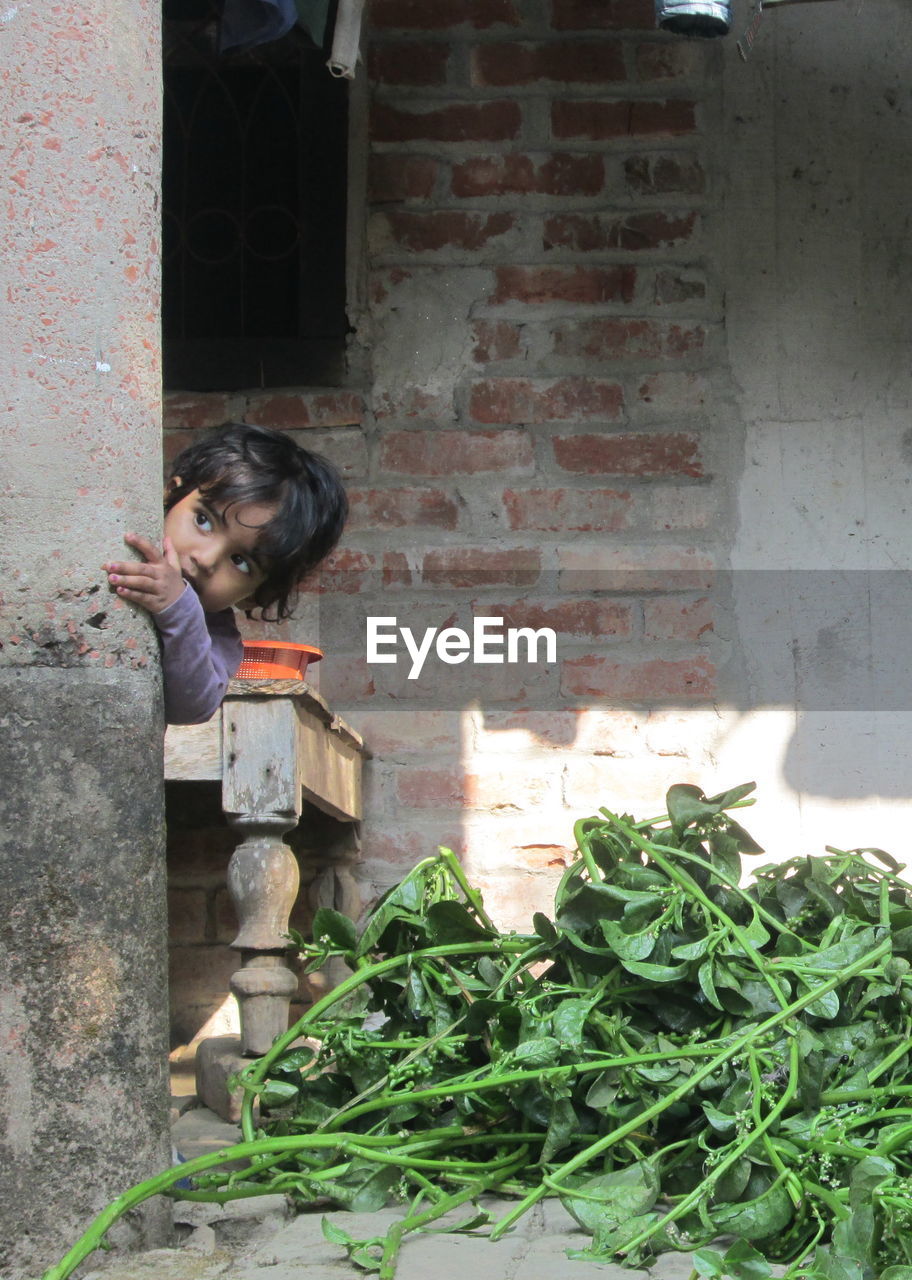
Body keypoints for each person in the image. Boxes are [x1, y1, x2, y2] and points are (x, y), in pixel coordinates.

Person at [103, 423, 347, 725]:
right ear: (170, 496)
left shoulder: (217, 635)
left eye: (240, 561)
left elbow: (192, 707)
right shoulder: (114, 540)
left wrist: (179, 609)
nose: (205, 559)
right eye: (203, 521)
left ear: (256, 595)